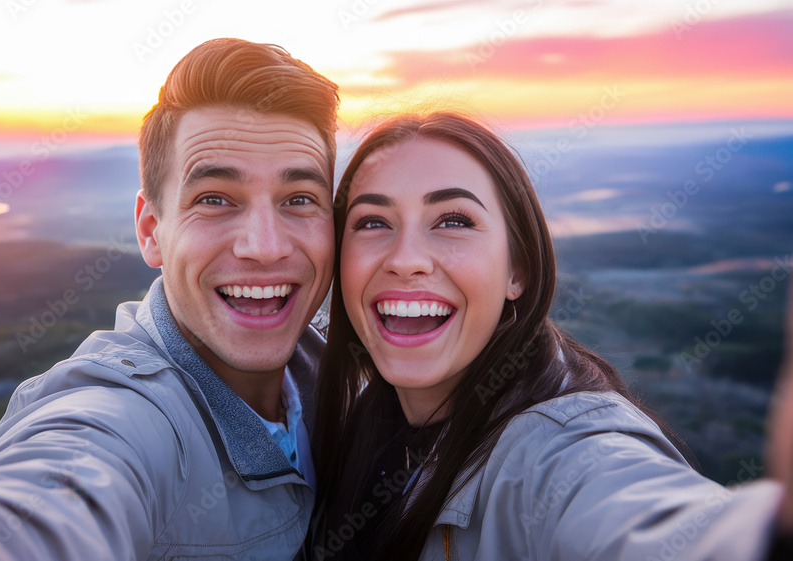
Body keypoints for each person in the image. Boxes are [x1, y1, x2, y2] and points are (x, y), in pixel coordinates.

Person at [0, 38, 338, 560]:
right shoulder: (127, 420)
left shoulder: (353, 379)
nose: (265, 247)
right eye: (215, 199)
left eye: (299, 198)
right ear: (151, 231)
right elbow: (43, 507)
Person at [309, 112, 791, 560]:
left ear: (517, 269)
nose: (406, 257)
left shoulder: (560, 454)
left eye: (454, 221)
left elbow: (643, 521)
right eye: (372, 222)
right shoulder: (349, 419)